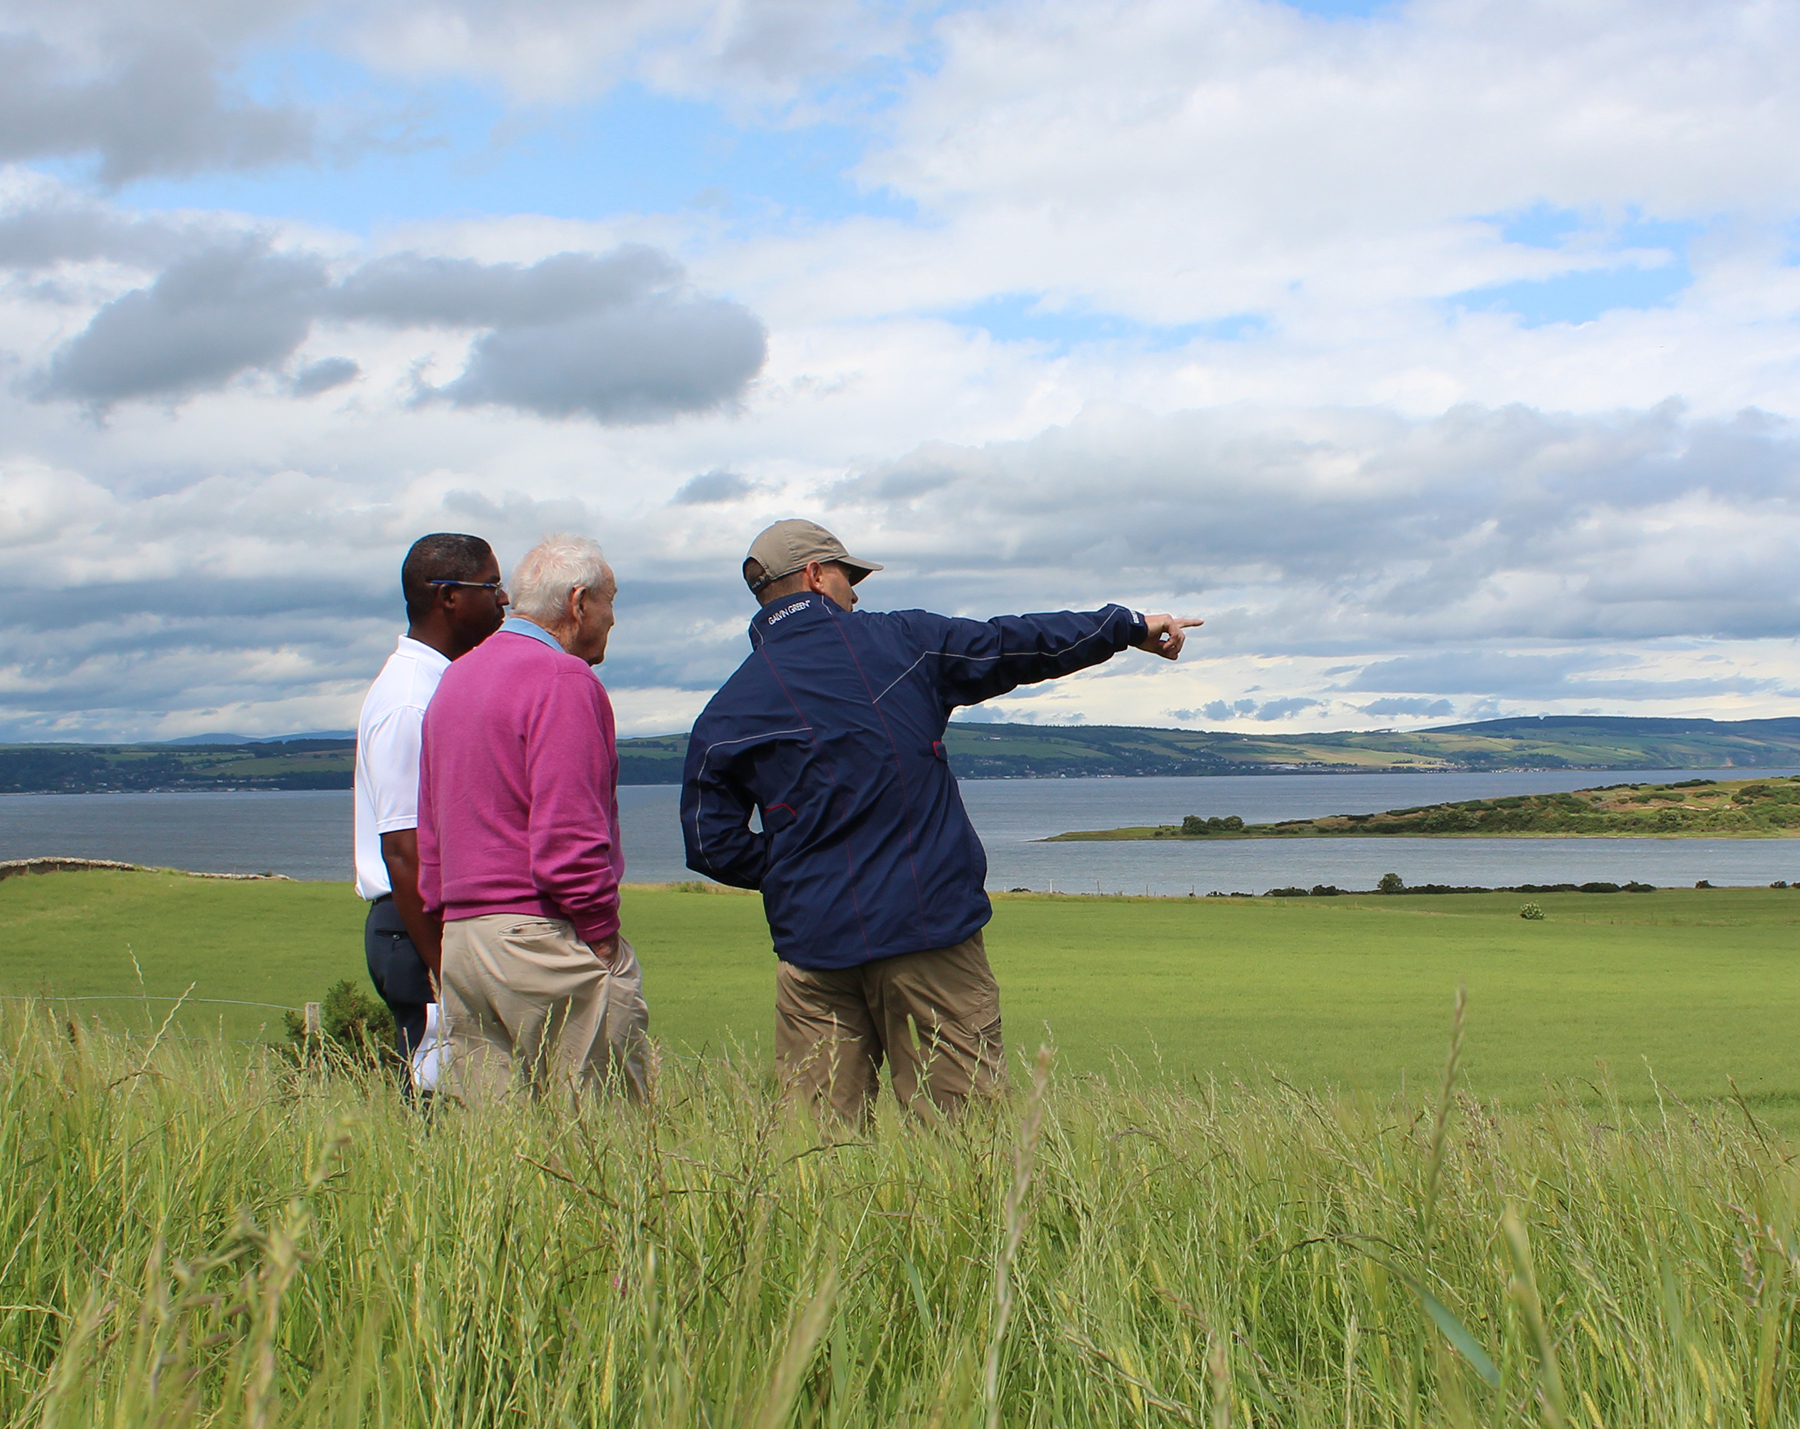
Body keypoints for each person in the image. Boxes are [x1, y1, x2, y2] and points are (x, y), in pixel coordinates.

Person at [680, 519, 1202, 1122]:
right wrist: (1127, 627)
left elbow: (708, 842)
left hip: (812, 955)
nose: (857, 594)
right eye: (849, 578)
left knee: (816, 1154)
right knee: (965, 1141)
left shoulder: (725, 709)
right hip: (927, 936)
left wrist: (795, 872)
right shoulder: (899, 641)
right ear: (816, 577)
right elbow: (1013, 644)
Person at [417, 533, 650, 1104]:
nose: (613, 619)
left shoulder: (457, 678)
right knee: (600, 1140)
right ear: (578, 602)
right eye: (610, 601)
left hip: (463, 943)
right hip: (538, 934)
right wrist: (601, 938)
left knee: (496, 1151)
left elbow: (431, 836)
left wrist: (446, 925)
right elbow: (568, 838)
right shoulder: (562, 678)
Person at [354, 532, 508, 1075]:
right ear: (447, 596)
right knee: (437, 1103)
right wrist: (447, 966)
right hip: (419, 927)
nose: (504, 599)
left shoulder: (440, 683)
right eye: (491, 586)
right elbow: (403, 847)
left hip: (429, 922)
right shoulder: (410, 701)